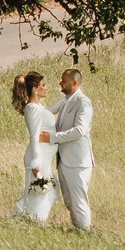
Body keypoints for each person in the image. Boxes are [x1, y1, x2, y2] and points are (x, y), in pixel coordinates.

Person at [41, 66, 95, 232]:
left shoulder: (83, 103)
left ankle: (84, 233)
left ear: (74, 82)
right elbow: (48, 113)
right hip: (64, 159)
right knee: (70, 201)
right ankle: (78, 231)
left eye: (63, 80)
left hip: (77, 161)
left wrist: (52, 138)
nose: (60, 83)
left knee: (78, 200)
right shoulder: (66, 100)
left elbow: (80, 130)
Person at [11, 71, 57, 222]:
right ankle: (34, 220)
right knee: (40, 191)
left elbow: (49, 112)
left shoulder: (39, 107)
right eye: (43, 85)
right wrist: (37, 162)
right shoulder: (32, 108)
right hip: (39, 157)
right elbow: (34, 135)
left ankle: (34, 219)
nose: (46, 88)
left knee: (45, 192)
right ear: (35, 89)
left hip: (45, 156)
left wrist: (65, 100)